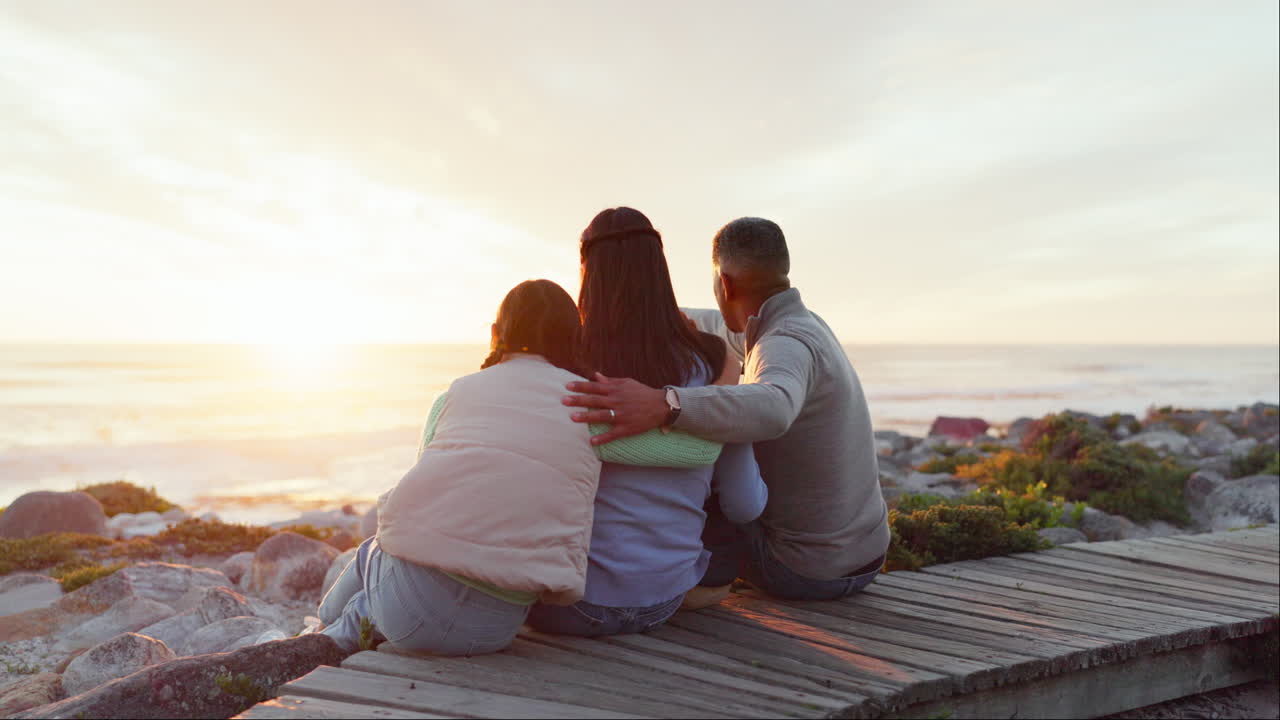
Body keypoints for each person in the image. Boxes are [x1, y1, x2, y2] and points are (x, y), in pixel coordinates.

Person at [317, 279, 724, 655]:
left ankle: (324, 631)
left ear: (497, 331)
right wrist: (721, 379)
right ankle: (336, 630)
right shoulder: (586, 406)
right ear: (574, 338)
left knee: (376, 546)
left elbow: (433, 493)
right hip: (494, 631)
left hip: (407, 619)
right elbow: (699, 455)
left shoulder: (456, 394)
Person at [563, 217, 889, 603]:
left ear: (725, 283)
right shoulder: (801, 323)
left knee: (709, 463)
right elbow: (715, 324)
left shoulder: (783, 342)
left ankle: (664, 585)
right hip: (863, 556)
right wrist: (648, 313)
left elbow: (774, 405)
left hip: (803, 569)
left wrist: (665, 403)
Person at [526, 207, 768, 636]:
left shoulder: (564, 364)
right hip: (665, 597)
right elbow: (744, 503)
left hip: (570, 604)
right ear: (660, 271)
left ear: (587, 272)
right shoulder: (713, 360)